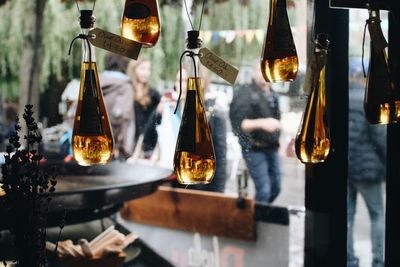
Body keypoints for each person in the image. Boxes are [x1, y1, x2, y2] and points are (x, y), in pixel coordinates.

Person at [347, 58, 385, 267]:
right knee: (377, 215)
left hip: (347, 168)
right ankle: (378, 261)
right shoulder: (370, 100)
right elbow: (380, 137)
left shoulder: (341, 97)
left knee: (348, 215)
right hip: (369, 170)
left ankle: (348, 258)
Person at [229, 62, 281, 203]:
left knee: (276, 187)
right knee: (264, 191)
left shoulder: (273, 94)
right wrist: (263, 123)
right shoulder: (245, 93)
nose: (264, 74)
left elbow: (277, 120)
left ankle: (261, 214)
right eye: (260, 70)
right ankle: (256, 220)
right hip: (254, 148)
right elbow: (239, 124)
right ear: (254, 72)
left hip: (272, 147)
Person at [100, 52, 135, 160]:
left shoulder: (95, 81)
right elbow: (124, 116)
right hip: (115, 148)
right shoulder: (125, 86)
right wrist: (124, 147)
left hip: (94, 141)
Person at [127, 58, 161, 158]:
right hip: (129, 143)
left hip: (147, 146)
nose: (146, 72)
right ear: (134, 69)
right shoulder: (126, 90)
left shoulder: (153, 95)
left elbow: (157, 121)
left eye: (148, 69)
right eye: (142, 68)